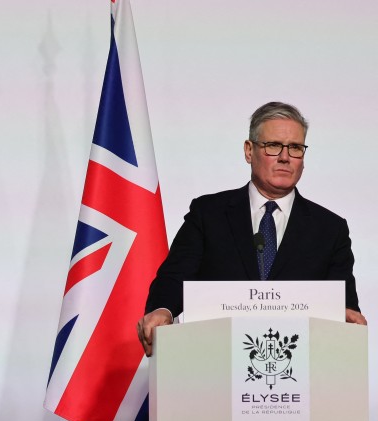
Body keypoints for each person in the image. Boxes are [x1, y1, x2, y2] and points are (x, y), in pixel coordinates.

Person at [137, 101, 364, 356]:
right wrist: (163, 310)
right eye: (273, 145)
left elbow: (343, 302)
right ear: (249, 151)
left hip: (299, 362)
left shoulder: (330, 229)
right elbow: (174, 277)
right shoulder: (208, 214)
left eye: (295, 148)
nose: (285, 157)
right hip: (214, 358)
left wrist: (347, 317)